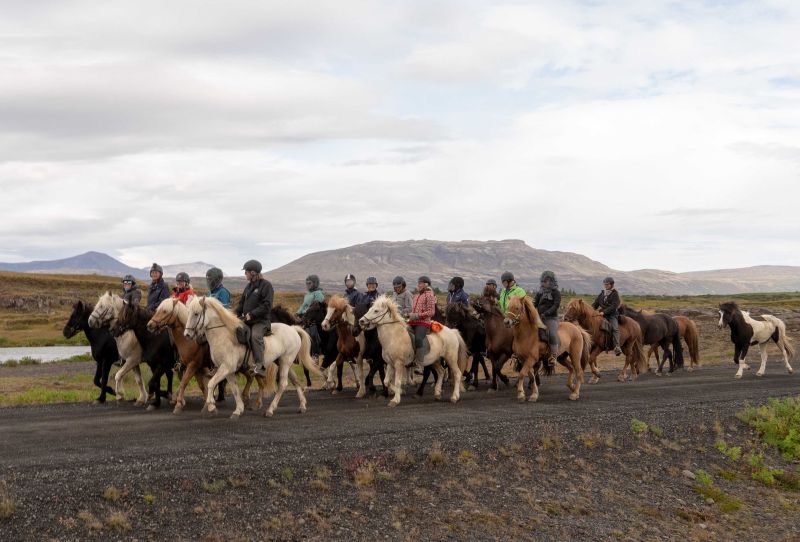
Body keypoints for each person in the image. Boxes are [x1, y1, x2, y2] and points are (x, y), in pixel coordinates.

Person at [236, 259, 274, 375]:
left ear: (253, 273)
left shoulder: (266, 286)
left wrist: (252, 314)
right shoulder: (248, 287)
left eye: (246, 272)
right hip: (248, 320)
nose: (245, 274)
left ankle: (260, 366)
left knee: (255, 336)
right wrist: (233, 315)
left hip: (261, 321)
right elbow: (241, 304)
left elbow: (267, 305)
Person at [534, 271, 561, 369]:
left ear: (552, 281)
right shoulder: (540, 293)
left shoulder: (556, 292)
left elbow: (556, 305)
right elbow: (534, 304)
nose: (543, 283)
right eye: (543, 281)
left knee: (552, 334)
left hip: (551, 318)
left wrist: (546, 313)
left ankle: (553, 356)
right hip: (539, 318)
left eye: (546, 281)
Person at [408, 276, 436, 366]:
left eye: (420, 283)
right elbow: (413, 309)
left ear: (426, 284)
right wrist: (408, 314)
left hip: (423, 322)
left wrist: (417, 315)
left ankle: (419, 364)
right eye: (418, 283)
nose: (418, 285)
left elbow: (431, 312)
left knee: (418, 338)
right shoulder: (416, 295)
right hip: (412, 321)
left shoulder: (430, 294)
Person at [592, 276, 623, 355]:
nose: (606, 286)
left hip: (612, 315)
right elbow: (595, 304)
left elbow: (614, 306)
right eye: (605, 284)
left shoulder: (615, 294)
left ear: (611, 285)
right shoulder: (602, 293)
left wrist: (604, 312)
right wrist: (590, 310)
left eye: (607, 284)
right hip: (602, 314)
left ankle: (617, 346)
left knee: (615, 328)